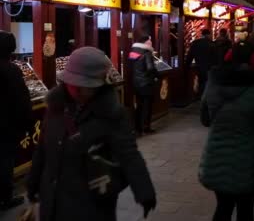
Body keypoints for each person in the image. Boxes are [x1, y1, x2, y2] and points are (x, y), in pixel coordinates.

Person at [27, 47, 156, 221]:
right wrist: (33, 184)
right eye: (77, 86)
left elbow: (129, 154)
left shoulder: (112, 115)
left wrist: (144, 191)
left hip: (92, 204)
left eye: (88, 87)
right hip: (52, 202)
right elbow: (42, 150)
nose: (82, 92)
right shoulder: (56, 109)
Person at [199, 41, 254, 221]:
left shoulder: (213, 82)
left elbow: (205, 120)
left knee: (223, 208)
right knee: (246, 211)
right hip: (247, 158)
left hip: (216, 156)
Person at [0, 31, 32, 210]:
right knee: (5, 160)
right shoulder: (12, 70)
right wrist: (28, 124)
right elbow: (22, 100)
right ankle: (5, 197)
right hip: (7, 125)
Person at [129, 35, 158, 135]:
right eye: (149, 40)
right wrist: (156, 75)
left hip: (136, 83)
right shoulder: (147, 53)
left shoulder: (133, 52)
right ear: (145, 42)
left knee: (139, 105)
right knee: (147, 106)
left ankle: (137, 128)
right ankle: (146, 127)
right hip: (146, 83)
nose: (151, 42)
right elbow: (150, 68)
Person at [186, 29, 217, 96]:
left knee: (200, 82)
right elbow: (215, 57)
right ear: (208, 35)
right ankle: (205, 98)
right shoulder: (212, 43)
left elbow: (190, 55)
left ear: (202, 34)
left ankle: (200, 96)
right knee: (207, 83)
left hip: (199, 67)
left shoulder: (195, 43)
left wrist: (187, 66)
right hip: (209, 68)